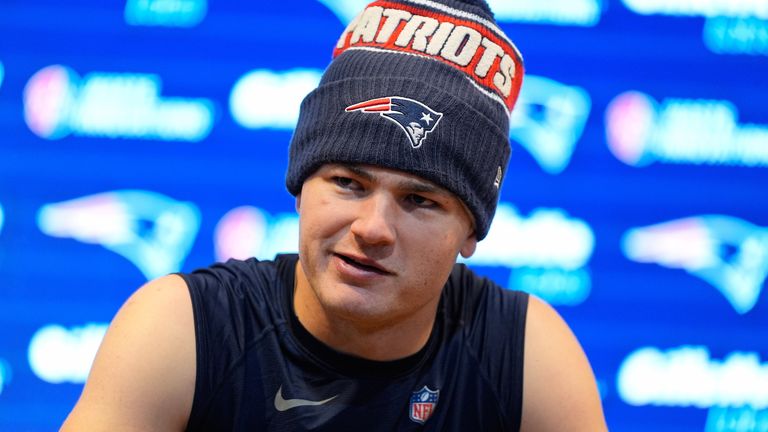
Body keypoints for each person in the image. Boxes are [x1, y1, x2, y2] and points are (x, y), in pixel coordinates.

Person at [62, 0, 608, 430]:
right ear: (301, 188)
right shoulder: (183, 329)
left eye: (420, 201)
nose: (372, 228)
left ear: (471, 231)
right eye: (348, 184)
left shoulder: (525, 358)